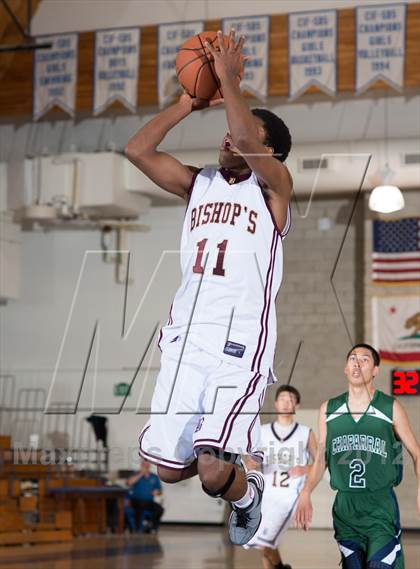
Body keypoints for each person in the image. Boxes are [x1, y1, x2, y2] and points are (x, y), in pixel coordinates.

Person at [125, 29, 293, 545]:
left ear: (270, 152)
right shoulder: (198, 183)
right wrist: (186, 101)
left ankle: (246, 491)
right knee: (171, 471)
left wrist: (227, 80)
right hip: (186, 341)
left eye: (242, 135)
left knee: (215, 473)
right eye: (223, 130)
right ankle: (232, 471)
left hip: (238, 343)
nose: (228, 137)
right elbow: (137, 148)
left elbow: (244, 138)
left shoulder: (275, 190)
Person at [295, 343, 420, 569]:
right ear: (345, 368)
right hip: (345, 508)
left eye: (364, 359)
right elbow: (321, 458)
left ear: (375, 371)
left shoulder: (390, 407)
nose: (357, 363)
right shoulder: (328, 409)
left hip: (379, 506)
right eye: (352, 358)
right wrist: (305, 491)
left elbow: (417, 454)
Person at [245, 385, 317, 569]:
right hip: (266, 494)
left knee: (265, 542)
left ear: (297, 405)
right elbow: (251, 462)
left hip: (290, 496)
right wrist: (251, 464)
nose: (286, 402)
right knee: (264, 545)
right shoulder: (262, 431)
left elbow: (321, 464)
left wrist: (306, 468)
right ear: (276, 403)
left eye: (291, 399)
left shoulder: (305, 433)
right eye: (282, 399)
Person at [127, 460, 164, 533]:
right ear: (141, 465)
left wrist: (157, 492)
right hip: (136, 501)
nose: (146, 466)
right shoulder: (135, 474)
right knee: (139, 508)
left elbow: (160, 491)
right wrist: (141, 474)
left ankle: (152, 527)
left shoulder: (154, 477)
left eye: (147, 465)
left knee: (159, 509)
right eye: (144, 465)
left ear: (149, 466)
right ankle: (138, 528)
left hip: (149, 502)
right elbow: (129, 483)